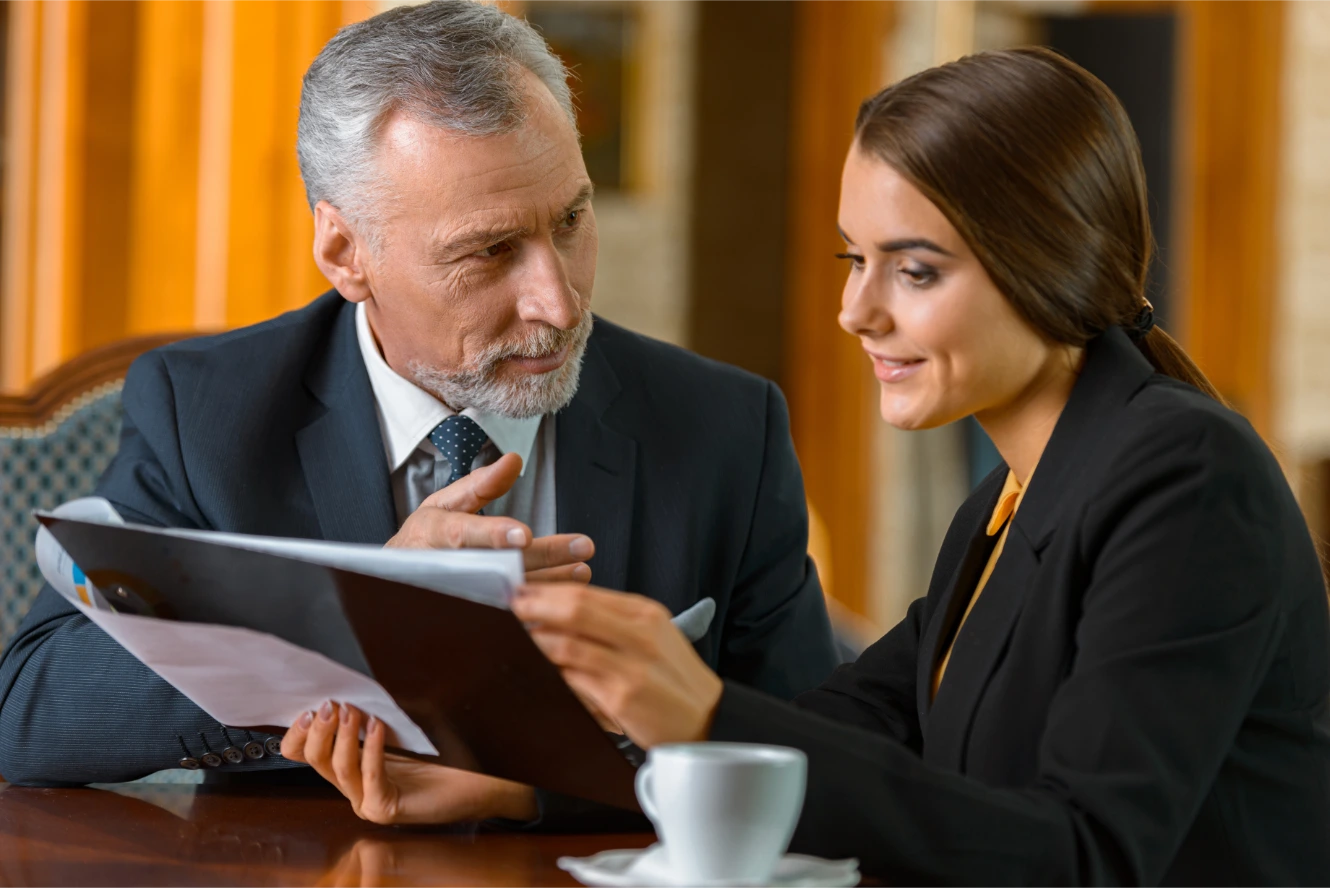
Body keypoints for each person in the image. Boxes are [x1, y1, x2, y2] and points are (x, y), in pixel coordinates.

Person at [296, 48, 1330, 884]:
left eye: (913, 270)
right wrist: (522, 786)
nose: (855, 311)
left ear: (1048, 259)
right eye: (854, 259)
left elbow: (1085, 856)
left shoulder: (1184, 476)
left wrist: (689, 705)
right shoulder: (1012, 499)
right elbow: (844, 734)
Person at [0, 0, 839, 824]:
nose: (557, 301)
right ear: (344, 252)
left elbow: (814, 758)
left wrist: (542, 798)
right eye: (489, 251)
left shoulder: (727, 427)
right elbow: (30, 714)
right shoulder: (209, 414)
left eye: (572, 220)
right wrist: (359, 610)